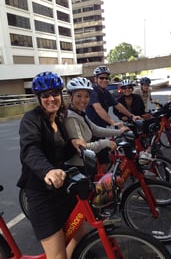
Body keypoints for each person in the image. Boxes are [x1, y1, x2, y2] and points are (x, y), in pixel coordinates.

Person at [17, 72, 87, 259]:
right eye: (45, 95)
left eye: (54, 93)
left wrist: (73, 144)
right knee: (56, 255)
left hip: (60, 185)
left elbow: (60, 154)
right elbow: (30, 149)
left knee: (81, 229)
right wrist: (47, 170)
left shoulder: (59, 119)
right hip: (40, 192)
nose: (51, 99)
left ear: (60, 95)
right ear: (39, 98)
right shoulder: (31, 119)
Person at [64, 77, 129, 176]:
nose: (83, 100)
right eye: (79, 96)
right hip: (79, 168)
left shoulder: (80, 113)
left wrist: (119, 132)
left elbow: (95, 129)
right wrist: (105, 143)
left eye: (86, 96)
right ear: (70, 96)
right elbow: (82, 148)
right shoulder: (71, 117)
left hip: (87, 163)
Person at [85, 66, 141, 173]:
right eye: (101, 78)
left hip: (102, 129)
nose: (104, 80)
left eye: (106, 78)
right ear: (95, 79)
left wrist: (131, 116)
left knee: (108, 153)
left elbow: (117, 105)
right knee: (103, 160)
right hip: (92, 131)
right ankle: (101, 185)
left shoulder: (105, 92)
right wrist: (113, 122)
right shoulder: (93, 91)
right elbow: (98, 109)